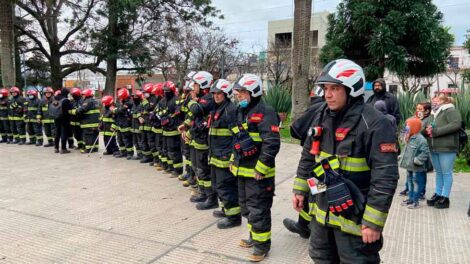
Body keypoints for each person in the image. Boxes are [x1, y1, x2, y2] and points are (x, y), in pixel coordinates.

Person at [293, 59, 398, 263]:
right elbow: (308, 156)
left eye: (334, 88)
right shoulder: (320, 115)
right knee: (320, 257)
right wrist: (300, 190)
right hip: (321, 215)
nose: (328, 94)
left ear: (352, 89)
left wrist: (373, 223)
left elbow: (385, 177)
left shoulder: (376, 123)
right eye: (325, 88)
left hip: (355, 220)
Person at [230, 73, 281, 262]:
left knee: (258, 209)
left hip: (259, 173)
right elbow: (236, 139)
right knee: (245, 207)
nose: (239, 96)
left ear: (254, 91)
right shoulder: (240, 112)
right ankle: (254, 237)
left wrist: (261, 168)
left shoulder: (266, 112)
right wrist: (232, 160)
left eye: (243, 93)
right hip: (242, 171)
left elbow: (272, 143)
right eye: (238, 93)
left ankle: (262, 246)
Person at [207, 79, 240, 227]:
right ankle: (226, 209)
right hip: (216, 155)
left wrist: (233, 156)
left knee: (226, 187)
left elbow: (237, 135)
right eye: (214, 93)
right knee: (218, 185)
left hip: (225, 157)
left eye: (219, 93)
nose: (216, 96)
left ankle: (233, 218)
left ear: (226, 93)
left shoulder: (230, 110)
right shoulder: (218, 109)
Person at [179, 71, 215, 203]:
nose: (192, 87)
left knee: (203, 169)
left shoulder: (209, 98)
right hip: (196, 139)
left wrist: (191, 100)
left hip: (203, 142)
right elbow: (195, 118)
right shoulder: (200, 99)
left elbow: (196, 110)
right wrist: (188, 129)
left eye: (195, 84)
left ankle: (210, 197)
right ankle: (202, 192)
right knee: (197, 168)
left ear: (203, 84)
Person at [425, 94, 461, 209]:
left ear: (444, 101)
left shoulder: (450, 110)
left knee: (446, 172)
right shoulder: (434, 113)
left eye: (437, 99)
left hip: (447, 147)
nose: (434, 101)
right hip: (434, 147)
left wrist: (436, 131)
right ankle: (438, 194)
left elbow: (456, 124)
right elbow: (426, 126)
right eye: (433, 99)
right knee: (439, 172)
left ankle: (445, 197)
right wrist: (423, 130)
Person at [399, 117, 430, 209]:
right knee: (409, 182)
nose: (406, 127)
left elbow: (425, 152)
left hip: (416, 167)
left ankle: (415, 201)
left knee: (416, 182)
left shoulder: (421, 140)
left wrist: (417, 160)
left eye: (408, 126)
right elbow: (406, 150)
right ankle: (411, 199)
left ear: (414, 127)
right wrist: (401, 157)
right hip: (409, 166)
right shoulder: (409, 137)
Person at [159, 81, 184, 177]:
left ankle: (177, 170)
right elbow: (158, 110)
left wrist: (170, 118)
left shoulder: (176, 99)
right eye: (164, 90)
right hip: (165, 130)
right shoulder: (163, 100)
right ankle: (170, 167)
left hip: (173, 129)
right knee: (167, 150)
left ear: (172, 90)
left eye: (168, 90)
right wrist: (161, 117)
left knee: (174, 151)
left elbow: (178, 112)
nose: (166, 92)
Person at [71, 88, 100, 153]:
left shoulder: (88, 101)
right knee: (94, 135)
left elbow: (81, 110)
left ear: (87, 95)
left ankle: (88, 149)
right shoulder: (95, 101)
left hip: (88, 122)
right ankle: (95, 148)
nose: (83, 96)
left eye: (83, 95)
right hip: (95, 122)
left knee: (88, 136)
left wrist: (73, 111)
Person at [113, 88, 134, 159]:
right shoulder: (120, 101)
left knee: (127, 139)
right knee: (120, 139)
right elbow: (116, 110)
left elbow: (120, 110)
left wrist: (116, 110)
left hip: (126, 123)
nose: (120, 98)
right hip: (120, 123)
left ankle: (130, 153)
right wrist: (116, 110)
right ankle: (123, 152)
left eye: (122, 97)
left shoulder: (129, 102)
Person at [52, 88, 72, 153]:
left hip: (56, 118)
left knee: (57, 133)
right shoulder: (66, 100)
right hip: (64, 119)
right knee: (64, 133)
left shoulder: (55, 98)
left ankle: (56, 148)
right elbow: (70, 109)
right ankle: (63, 149)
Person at [130, 90, 144, 160]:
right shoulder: (134, 104)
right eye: (133, 96)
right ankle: (138, 154)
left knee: (140, 142)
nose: (134, 98)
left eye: (135, 96)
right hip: (133, 127)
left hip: (139, 127)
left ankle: (142, 155)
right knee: (135, 142)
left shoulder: (141, 105)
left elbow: (140, 115)